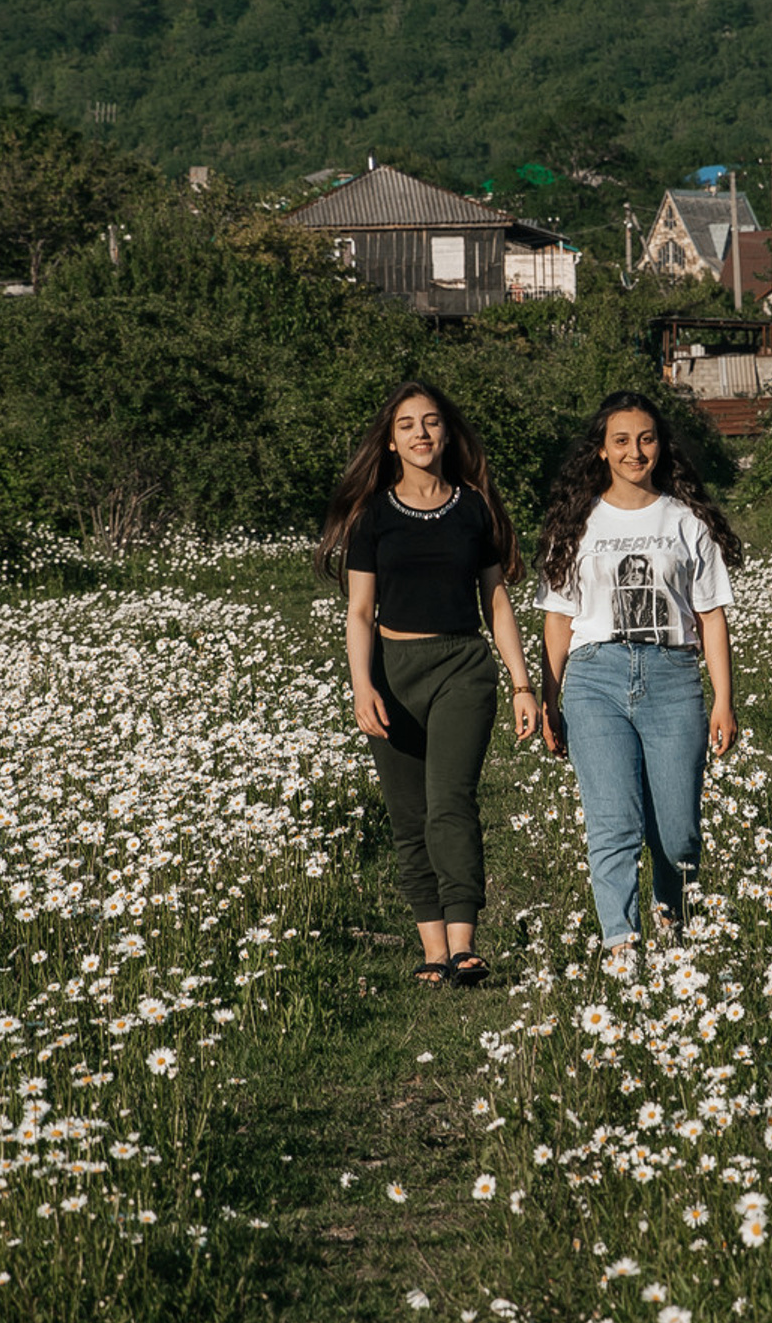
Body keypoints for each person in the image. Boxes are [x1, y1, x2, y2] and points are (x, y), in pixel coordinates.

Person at [315, 381, 540, 988]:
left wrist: (523, 684)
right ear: (390, 441)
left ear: (446, 434)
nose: (421, 433)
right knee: (408, 814)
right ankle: (432, 950)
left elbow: (496, 600)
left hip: (463, 668)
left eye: (432, 422)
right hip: (392, 672)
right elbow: (359, 611)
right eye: (408, 425)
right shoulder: (373, 515)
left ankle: (464, 944)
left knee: (450, 803)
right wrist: (362, 686)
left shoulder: (474, 507)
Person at [537, 394, 743, 950]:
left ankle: (675, 927)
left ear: (661, 445)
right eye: (621, 440)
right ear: (601, 450)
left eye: (646, 439)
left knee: (678, 832)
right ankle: (621, 942)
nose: (635, 451)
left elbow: (710, 615)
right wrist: (547, 699)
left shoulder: (685, 520)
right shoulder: (578, 524)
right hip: (593, 678)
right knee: (613, 824)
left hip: (673, 677)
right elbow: (558, 621)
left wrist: (723, 698)